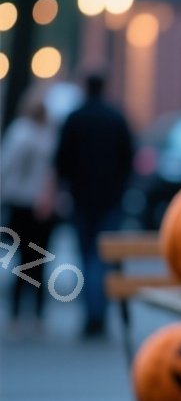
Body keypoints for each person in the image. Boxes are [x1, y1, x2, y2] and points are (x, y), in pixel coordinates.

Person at [54, 74, 136, 338]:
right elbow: (129, 158)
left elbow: (61, 159)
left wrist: (66, 187)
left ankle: (91, 315)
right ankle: (98, 314)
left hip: (81, 198)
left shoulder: (75, 118)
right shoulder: (116, 118)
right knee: (103, 257)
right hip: (110, 198)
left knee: (86, 254)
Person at [1, 90, 58, 329]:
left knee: (21, 257)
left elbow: (6, 167)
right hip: (43, 205)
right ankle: (36, 313)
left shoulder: (19, 132)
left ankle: (16, 313)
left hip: (20, 202)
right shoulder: (50, 136)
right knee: (39, 259)